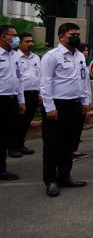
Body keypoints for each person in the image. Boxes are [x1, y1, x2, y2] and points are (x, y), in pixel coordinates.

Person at [40, 22, 91, 197]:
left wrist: (86, 101)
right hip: (57, 106)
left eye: (78, 34)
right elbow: (45, 83)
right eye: (72, 35)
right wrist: (49, 107)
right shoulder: (51, 56)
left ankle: (65, 176)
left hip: (75, 105)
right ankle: (51, 180)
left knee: (69, 143)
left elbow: (84, 80)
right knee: (52, 144)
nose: (76, 37)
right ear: (61, 37)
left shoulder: (80, 56)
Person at [0, 25, 25, 181]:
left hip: (12, 100)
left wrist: (21, 100)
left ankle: (1, 169)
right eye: (13, 35)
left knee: (4, 136)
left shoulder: (15, 55)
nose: (16, 39)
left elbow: (19, 79)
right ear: (3, 36)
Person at [11, 32, 40, 157]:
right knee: (15, 122)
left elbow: (40, 76)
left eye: (31, 41)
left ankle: (21, 144)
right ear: (20, 43)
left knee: (26, 121)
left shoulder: (36, 58)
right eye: (27, 41)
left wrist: (40, 94)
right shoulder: (14, 56)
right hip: (19, 94)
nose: (30, 44)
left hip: (33, 94)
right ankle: (12, 147)